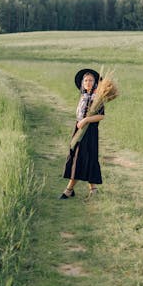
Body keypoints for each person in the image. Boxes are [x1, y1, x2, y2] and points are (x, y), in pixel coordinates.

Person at [60, 68, 105, 200]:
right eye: (86, 80)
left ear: (95, 82)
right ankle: (93, 189)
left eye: (91, 80)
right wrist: (80, 123)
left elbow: (101, 116)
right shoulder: (84, 97)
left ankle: (69, 189)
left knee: (83, 157)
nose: (88, 82)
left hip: (90, 132)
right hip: (79, 129)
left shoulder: (97, 98)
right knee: (78, 156)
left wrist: (86, 120)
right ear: (82, 83)